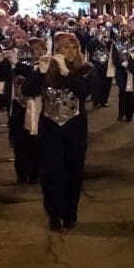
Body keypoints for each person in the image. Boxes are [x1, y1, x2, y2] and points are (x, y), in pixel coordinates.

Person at [22, 32, 93, 231]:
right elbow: (28, 90)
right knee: (51, 172)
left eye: (74, 48)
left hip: (75, 126)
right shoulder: (46, 68)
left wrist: (67, 73)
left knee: (73, 171)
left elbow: (84, 91)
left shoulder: (85, 69)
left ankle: (70, 213)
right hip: (50, 126)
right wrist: (40, 73)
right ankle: (53, 213)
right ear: (58, 51)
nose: (70, 52)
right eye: (65, 48)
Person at [10, 36, 44, 184]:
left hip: (39, 108)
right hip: (22, 109)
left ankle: (35, 171)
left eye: (43, 48)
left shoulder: (47, 65)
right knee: (22, 144)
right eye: (37, 48)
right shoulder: (22, 66)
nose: (41, 51)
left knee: (38, 143)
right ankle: (22, 173)